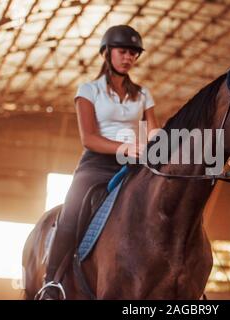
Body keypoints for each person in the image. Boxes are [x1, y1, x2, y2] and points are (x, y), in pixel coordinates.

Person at [36, 25, 158, 300]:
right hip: (97, 164)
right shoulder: (88, 90)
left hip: (134, 163)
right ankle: (51, 281)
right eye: (122, 51)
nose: (128, 57)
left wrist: (159, 142)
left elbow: (153, 130)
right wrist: (125, 147)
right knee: (70, 212)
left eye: (133, 53)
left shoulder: (143, 94)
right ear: (107, 53)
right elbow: (89, 138)